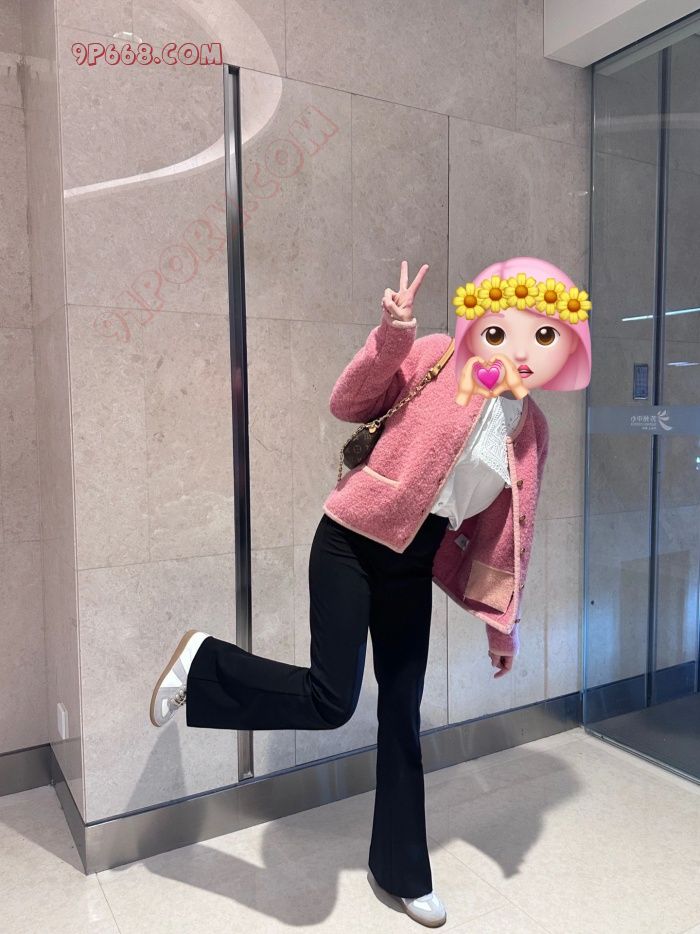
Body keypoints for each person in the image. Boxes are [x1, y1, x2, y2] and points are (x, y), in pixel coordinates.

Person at [149, 256, 592, 928]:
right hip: (351, 541)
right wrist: (392, 336)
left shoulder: (531, 432)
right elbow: (348, 403)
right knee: (331, 700)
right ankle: (203, 662)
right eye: (509, 328)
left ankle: (402, 870)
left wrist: (503, 624)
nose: (524, 350)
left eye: (546, 336)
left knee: (401, 715)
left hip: (414, 561)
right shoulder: (439, 356)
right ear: (485, 320)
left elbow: (510, 536)